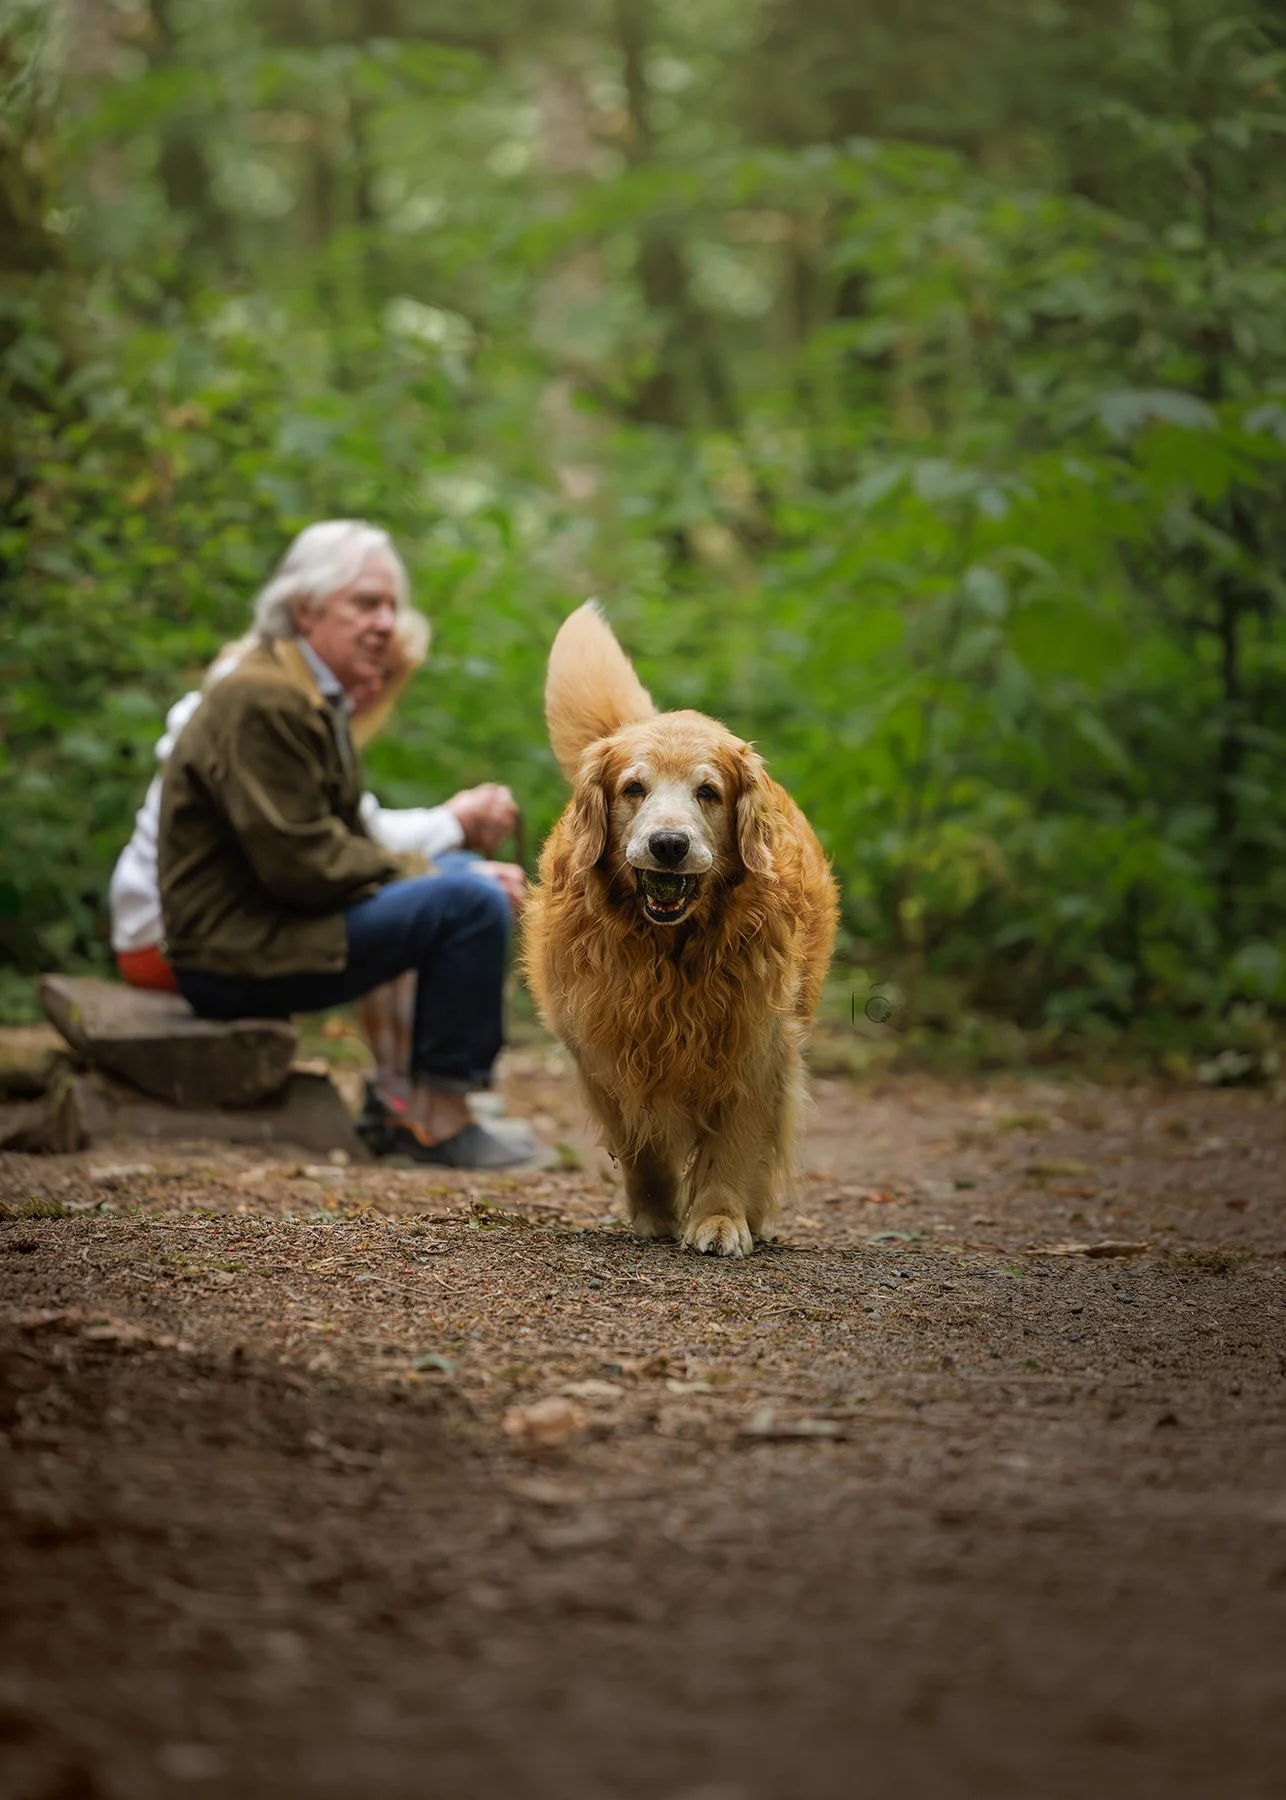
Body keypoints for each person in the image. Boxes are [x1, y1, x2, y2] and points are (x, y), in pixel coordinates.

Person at [155, 519, 530, 1169]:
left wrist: (439, 870)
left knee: (465, 873)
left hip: (272, 927)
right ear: (305, 608)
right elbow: (299, 861)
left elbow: (345, 841)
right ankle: (440, 1121)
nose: (386, 622)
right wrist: (429, 876)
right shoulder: (264, 697)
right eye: (365, 603)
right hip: (234, 953)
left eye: (391, 605)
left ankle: (404, 1103)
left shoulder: (305, 691)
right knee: (468, 902)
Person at [109, 613, 517, 1122]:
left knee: (445, 882)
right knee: (448, 899)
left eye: (383, 677)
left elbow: (354, 838)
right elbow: (320, 857)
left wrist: (451, 838)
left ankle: (404, 1087)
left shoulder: (293, 712)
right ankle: (420, 1101)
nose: (369, 687)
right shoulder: (263, 711)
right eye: (367, 671)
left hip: (219, 924)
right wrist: (451, 831)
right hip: (170, 940)